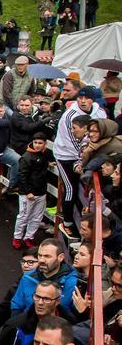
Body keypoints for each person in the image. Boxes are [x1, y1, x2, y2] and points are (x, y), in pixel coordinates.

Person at [54, 87, 107, 238]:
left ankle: (83, 222)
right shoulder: (69, 115)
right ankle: (68, 222)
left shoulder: (100, 112)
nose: (83, 101)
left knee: (82, 185)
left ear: (93, 100)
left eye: (86, 98)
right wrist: (81, 159)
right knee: (70, 187)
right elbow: (72, 140)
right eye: (80, 98)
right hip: (65, 154)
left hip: (85, 154)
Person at [11, 238, 79, 315]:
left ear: (61, 257)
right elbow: (16, 306)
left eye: (47, 256)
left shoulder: (73, 283)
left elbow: (76, 315)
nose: (41, 260)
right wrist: (18, 326)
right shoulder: (27, 278)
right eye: (40, 255)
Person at [13, 133, 50, 249]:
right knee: (23, 216)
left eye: (40, 143)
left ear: (45, 144)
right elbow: (22, 175)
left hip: (41, 192)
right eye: (36, 143)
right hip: (28, 193)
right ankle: (17, 238)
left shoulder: (45, 154)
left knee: (37, 217)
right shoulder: (26, 157)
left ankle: (29, 237)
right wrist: (28, 191)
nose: (38, 145)